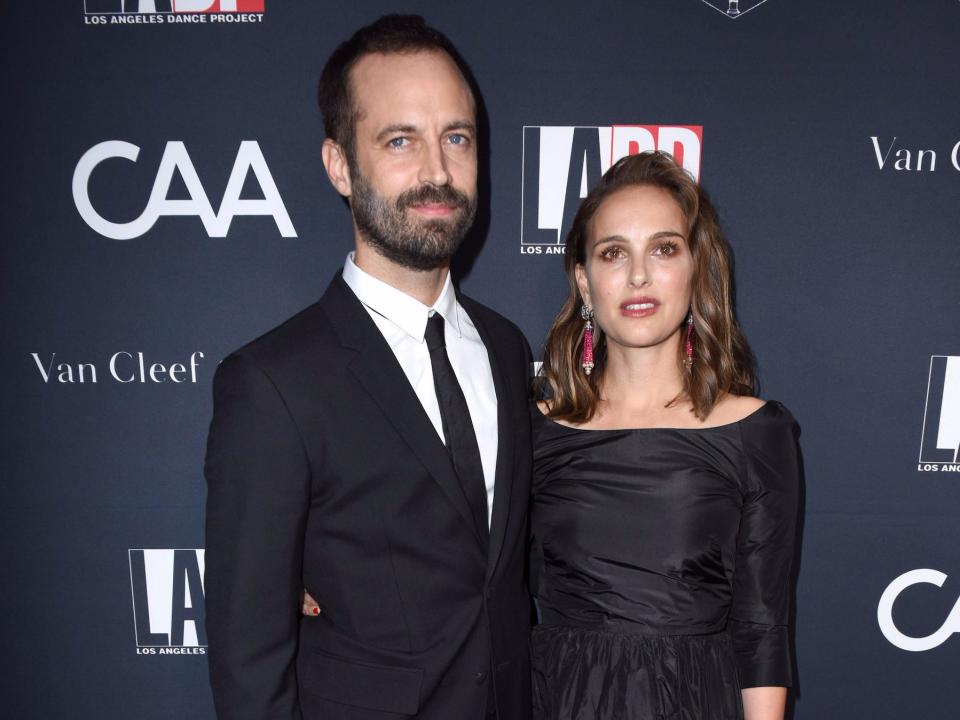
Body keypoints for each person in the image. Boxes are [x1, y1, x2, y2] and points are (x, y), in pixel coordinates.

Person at [204, 15, 532, 720]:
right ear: (340, 165)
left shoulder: (507, 349)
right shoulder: (272, 384)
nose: (438, 172)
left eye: (457, 138)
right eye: (399, 141)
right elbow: (248, 667)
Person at [530, 151, 801, 720]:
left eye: (663, 248)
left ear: (696, 267)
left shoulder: (755, 432)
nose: (638, 276)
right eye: (612, 253)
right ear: (584, 280)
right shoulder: (533, 432)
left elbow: (762, 629)